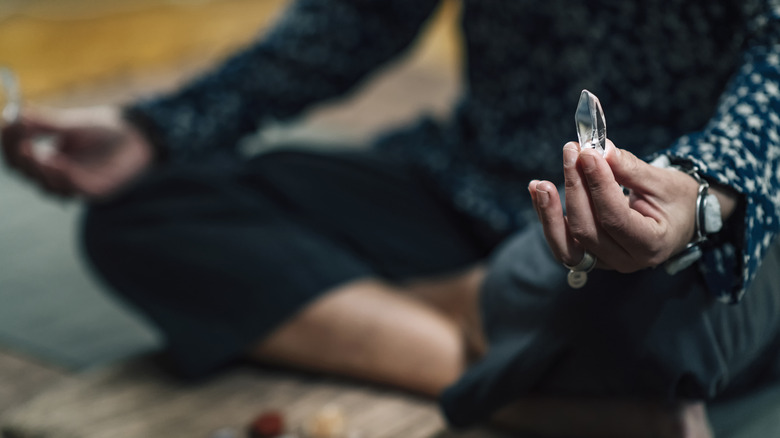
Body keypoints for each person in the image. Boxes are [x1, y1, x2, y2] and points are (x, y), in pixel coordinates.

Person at [3, 0, 780, 436]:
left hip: (670, 219)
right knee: (146, 213)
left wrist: (703, 198)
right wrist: (158, 127)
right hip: (468, 180)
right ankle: (525, 385)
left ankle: (486, 318)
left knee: (677, 313)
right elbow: (358, 18)